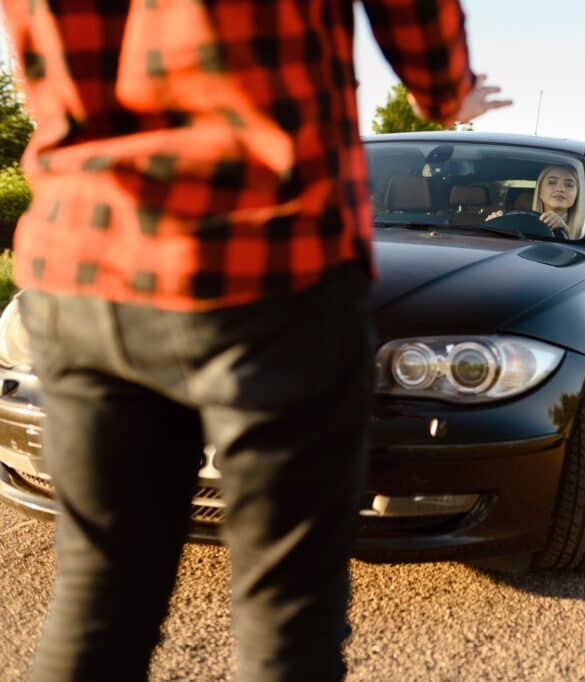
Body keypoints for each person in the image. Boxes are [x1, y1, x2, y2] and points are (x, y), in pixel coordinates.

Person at [2, 1, 510, 680]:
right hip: (273, 255)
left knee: (99, 600)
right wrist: (446, 89)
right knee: (286, 622)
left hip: (90, 254)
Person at [488, 164, 583, 238]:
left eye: (569, 185)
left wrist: (566, 231)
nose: (560, 189)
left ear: (577, 193)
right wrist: (494, 226)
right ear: (540, 192)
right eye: (552, 182)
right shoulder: (521, 224)